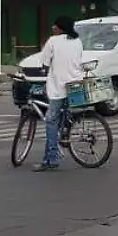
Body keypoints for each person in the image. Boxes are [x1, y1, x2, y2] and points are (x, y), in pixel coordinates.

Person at [36, 17, 85, 172]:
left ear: (60, 28)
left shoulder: (53, 41)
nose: (52, 27)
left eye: (55, 25)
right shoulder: (77, 41)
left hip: (59, 87)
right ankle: (64, 133)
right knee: (64, 115)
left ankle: (51, 159)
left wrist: (44, 70)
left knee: (51, 120)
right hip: (76, 85)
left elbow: (44, 63)